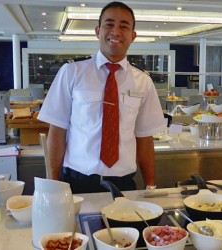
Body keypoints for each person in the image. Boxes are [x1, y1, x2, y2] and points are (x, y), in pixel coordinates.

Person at [38, 1, 166, 194]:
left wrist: (150, 185)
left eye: (124, 26)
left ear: (133, 36)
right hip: (76, 183)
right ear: (98, 31)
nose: (116, 31)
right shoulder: (72, 72)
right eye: (109, 24)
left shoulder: (143, 81)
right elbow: (57, 132)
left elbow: (145, 138)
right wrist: (53, 185)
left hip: (123, 186)